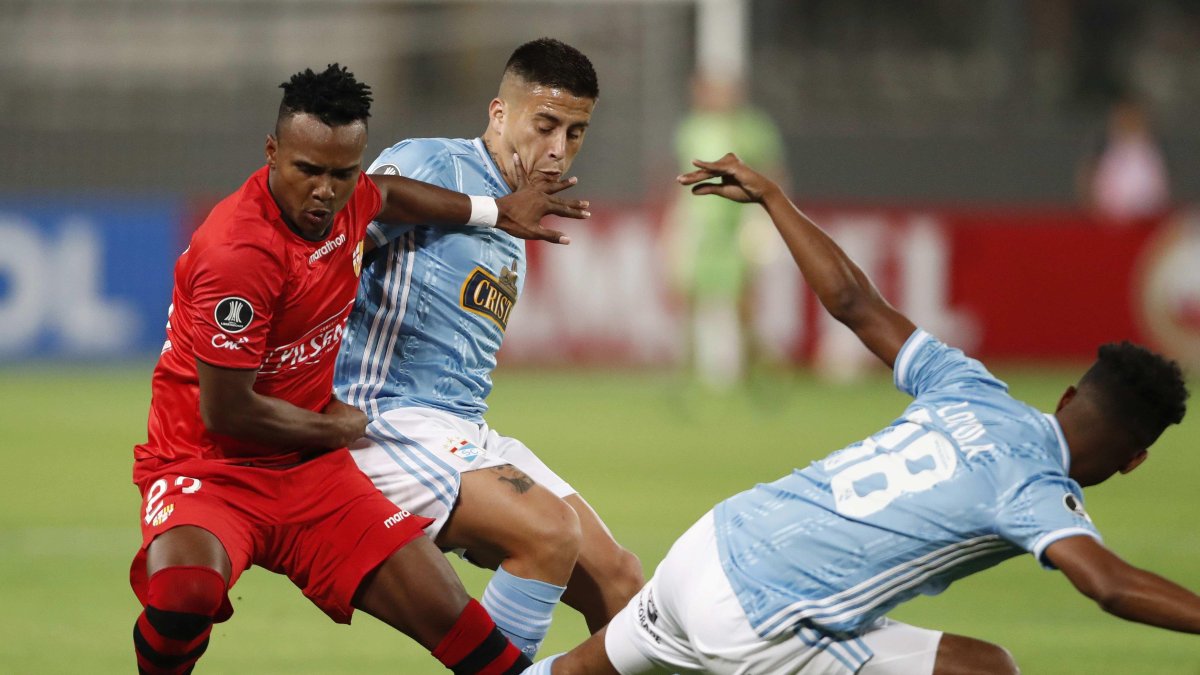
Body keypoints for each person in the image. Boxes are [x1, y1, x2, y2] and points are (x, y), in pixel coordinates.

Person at [526, 153, 1196, 675]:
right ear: (1135, 458)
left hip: (711, 542)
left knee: (578, 668)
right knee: (987, 668)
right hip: (757, 616)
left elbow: (854, 302)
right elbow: (1107, 583)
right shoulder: (1038, 491)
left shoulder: (970, 386)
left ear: (1069, 398)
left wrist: (771, 197)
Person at [129, 63, 590, 675]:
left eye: (343, 173)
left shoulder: (350, 202)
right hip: (212, 467)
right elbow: (228, 410)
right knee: (186, 592)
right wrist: (339, 430)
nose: (325, 191)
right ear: (272, 153)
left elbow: (392, 195)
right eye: (308, 171)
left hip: (312, 477)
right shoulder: (236, 255)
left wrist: (493, 211)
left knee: (469, 635)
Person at [333, 38, 643, 659]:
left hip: (463, 432)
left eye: (576, 133)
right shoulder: (434, 165)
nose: (558, 150)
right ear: (500, 114)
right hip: (386, 422)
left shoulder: (519, 213)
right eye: (545, 125)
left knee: (622, 583)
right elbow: (338, 230)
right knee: (549, 531)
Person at [666, 72, 786, 391]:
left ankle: (751, 364)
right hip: (698, 222)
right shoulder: (691, 128)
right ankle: (686, 366)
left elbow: (772, 171)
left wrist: (767, 216)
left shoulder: (753, 128)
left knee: (742, 296)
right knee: (689, 292)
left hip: (740, 221)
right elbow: (678, 175)